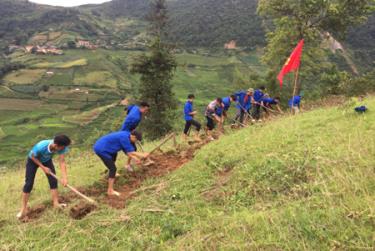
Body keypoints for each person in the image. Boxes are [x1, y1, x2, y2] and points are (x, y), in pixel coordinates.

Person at [17, 135, 71, 220]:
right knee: (29, 183)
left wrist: (65, 178)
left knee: (53, 180)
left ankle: (56, 204)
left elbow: (62, 161)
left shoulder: (61, 147)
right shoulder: (41, 146)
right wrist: (43, 167)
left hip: (46, 160)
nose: (63, 149)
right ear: (56, 145)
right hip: (33, 160)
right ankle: (23, 209)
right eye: (62, 147)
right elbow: (32, 156)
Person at [93, 131, 149, 196]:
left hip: (106, 145)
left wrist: (136, 159)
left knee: (114, 154)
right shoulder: (124, 138)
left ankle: (112, 174)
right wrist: (142, 155)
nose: (135, 142)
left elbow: (128, 152)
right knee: (113, 169)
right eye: (136, 140)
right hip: (101, 149)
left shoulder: (127, 135)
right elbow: (131, 152)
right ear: (133, 136)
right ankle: (110, 191)